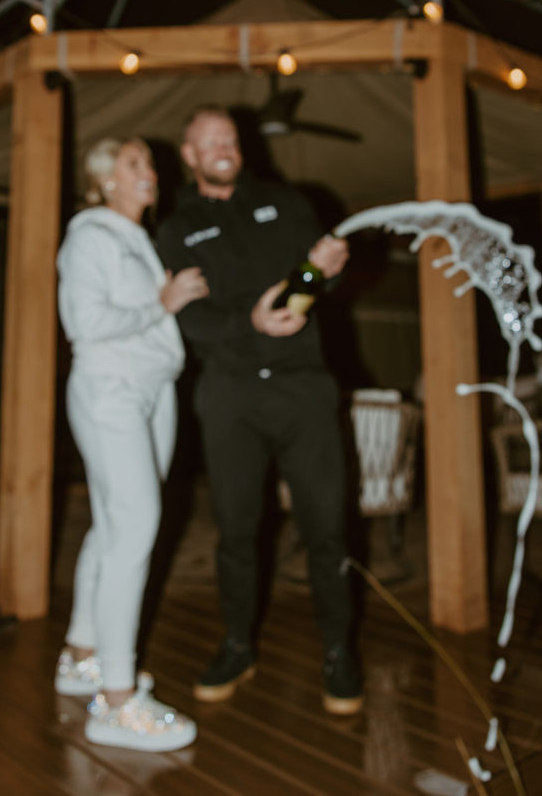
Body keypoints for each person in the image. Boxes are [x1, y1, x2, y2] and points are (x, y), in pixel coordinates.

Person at [157, 105, 363, 715]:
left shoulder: (288, 201)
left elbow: (301, 291)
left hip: (303, 390)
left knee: (327, 527)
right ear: (189, 155)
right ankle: (237, 645)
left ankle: (337, 652)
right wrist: (250, 322)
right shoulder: (176, 227)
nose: (224, 146)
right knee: (236, 533)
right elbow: (192, 318)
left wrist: (317, 272)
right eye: (208, 140)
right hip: (230, 397)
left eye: (231, 138)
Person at [54, 136, 208, 751]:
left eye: (149, 164)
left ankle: (81, 654)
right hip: (111, 389)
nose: (151, 173)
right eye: (135, 165)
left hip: (151, 389)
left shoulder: (136, 238)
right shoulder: (90, 235)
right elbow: (84, 324)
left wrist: (162, 303)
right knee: (137, 525)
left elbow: (145, 314)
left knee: (112, 524)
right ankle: (116, 701)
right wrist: (161, 300)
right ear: (106, 180)